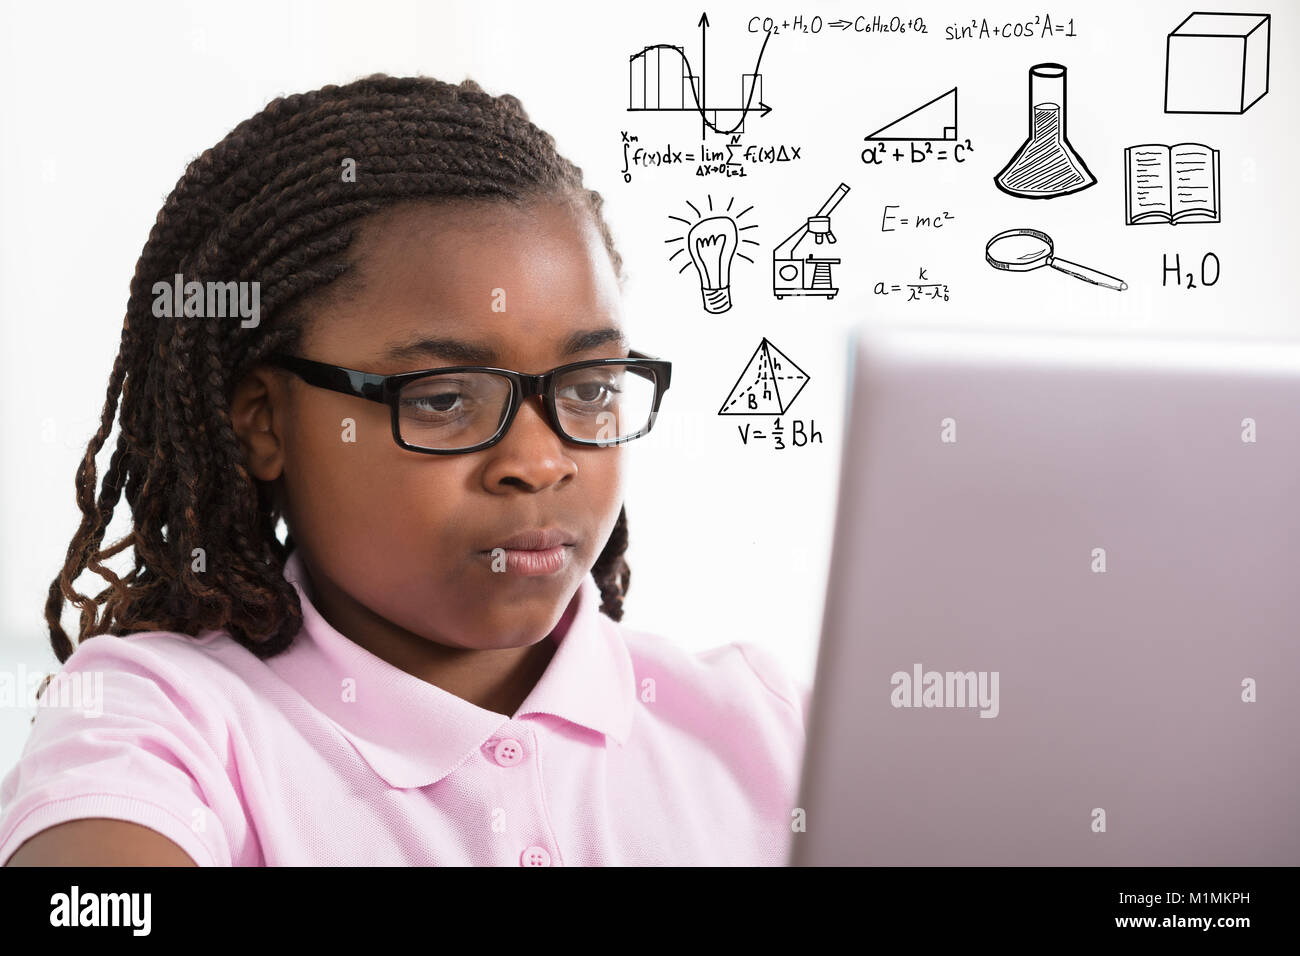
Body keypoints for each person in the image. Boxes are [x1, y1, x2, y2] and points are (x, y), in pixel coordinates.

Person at [0, 74, 807, 866]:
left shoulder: (768, 727)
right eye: (445, 398)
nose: (537, 460)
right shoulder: (160, 731)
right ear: (264, 420)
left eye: (590, 387)